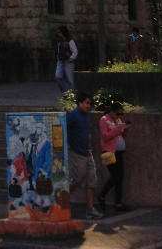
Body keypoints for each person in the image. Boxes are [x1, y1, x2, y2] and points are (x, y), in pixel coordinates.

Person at [66, 92, 102, 220]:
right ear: (80, 103)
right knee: (76, 180)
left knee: (91, 180)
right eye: (86, 103)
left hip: (87, 152)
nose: (88, 106)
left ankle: (90, 209)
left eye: (90, 104)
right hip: (77, 153)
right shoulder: (73, 115)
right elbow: (61, 128)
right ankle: (61, 200)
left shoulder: (86, 116)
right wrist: (67, 144)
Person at [98, 101, 129, 213]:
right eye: (118, 114)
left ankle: (118, 203)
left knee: (120, 178)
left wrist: (125, 129)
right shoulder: (104, 120)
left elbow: (122, 135)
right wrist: (117, 129)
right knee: (115, 177)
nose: (119, 116)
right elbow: (105, 136)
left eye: (121, 114)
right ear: (112, 112)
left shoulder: (118, 120)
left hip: (119, 151)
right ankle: (102, 195)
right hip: (108, 152)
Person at [54, 26, 77, 92]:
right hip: (60, 61)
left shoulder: (70, 40)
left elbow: (75, 51)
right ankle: (65, 92)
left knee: (70, 79)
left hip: (68, 62)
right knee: (58, 77)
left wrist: (71, 58)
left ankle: (72, 94)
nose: (58, 33)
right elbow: (58, 50)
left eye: (59, 32)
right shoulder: (59, 40)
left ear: (63, 32)